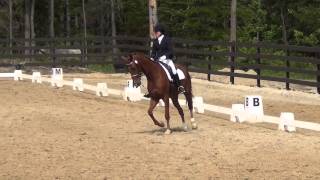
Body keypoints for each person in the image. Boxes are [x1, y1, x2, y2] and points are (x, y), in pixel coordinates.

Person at [149, 24, 185, 95]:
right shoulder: (155, 41)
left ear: (160, 32)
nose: (155, 33)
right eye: (155, 32)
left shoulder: (167, 39)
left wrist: (164, 56)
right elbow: (153, 52)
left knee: (174, 70)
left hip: (167, 60)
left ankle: (179, 86)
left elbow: (170, 51)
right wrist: (152, 57)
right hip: (158, 60)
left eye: (156, 32)